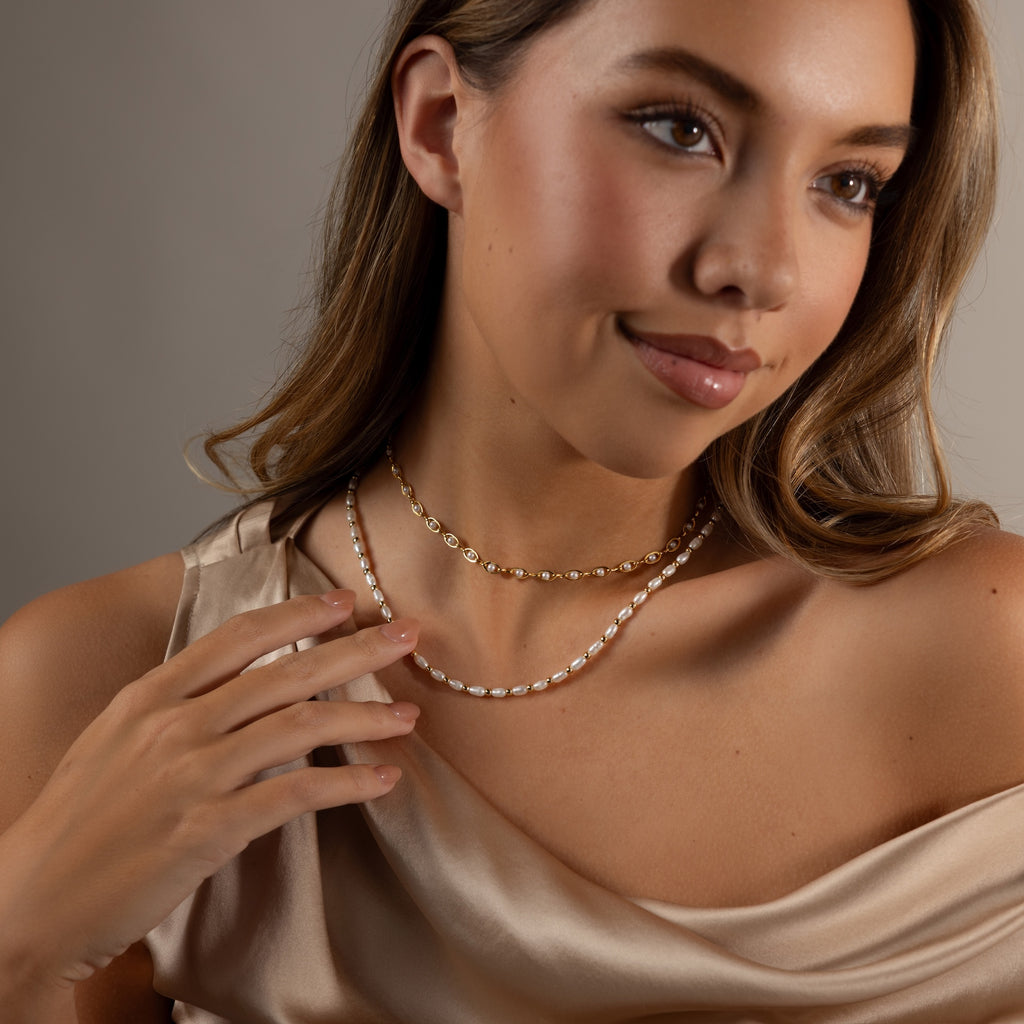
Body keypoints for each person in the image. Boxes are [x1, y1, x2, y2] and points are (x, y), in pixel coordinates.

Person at [1, 0, 1022, 1020]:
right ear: (442, 123)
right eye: (680, 128)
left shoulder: (988, 653)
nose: (760, 272)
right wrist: (23, 946)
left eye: (846, 184)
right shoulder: (107, 685)